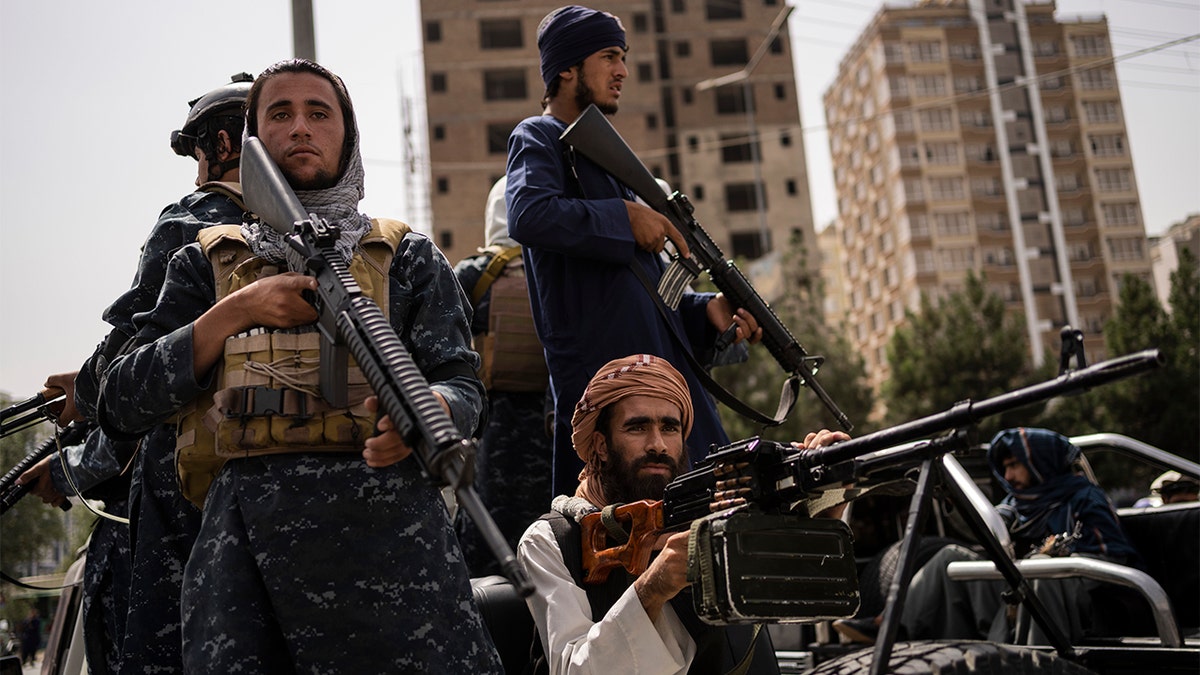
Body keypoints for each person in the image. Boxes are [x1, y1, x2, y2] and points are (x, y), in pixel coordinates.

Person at [99, 59, 501, 672]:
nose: (301, 129)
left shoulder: (409, 257)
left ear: (348, 134)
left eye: (319, 113)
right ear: (255, 141)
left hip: (395, 551)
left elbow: (463, 382)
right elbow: (121, 399)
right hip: (243, 559)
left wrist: (435, 409)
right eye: (279, 115)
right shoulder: (202, 265)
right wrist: (235, 311)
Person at [17, 74, 256, 674]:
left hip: (181, 499)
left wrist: (75, 466)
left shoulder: (191, 221)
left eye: (197, 155)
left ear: (221, 145)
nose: (196, 172)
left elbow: (138, 378)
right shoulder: (318, 232)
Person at [505, 5, 762, 497]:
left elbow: (649, 297)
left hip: (669, 410)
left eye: (623, 57)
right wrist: (624, 218)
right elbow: (530, 214)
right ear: (567, 67)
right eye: (609, 56)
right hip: (613, 415)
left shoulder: (610, 162)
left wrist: (706, 312)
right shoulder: (539, 137)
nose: (622, 71)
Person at [518, 354, 848, 674]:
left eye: (670, 428)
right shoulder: (552, 540)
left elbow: (796, 600)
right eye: (637, 427)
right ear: (602, 446)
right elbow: (572, 669)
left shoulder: (716, 513)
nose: (658, 444)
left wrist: (823, 513)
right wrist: (653, 588)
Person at [835, 427, 1139, 646]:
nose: (1007, 477)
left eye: (1015, 464)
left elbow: (1110, 561)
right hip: (1022, 589)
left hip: (1086, 603)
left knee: (1042, 576)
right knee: (948, 561)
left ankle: (1015, 661)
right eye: (1004, 467)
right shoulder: (1015, 506)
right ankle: (894, 627)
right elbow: (984, 532)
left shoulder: (1084, 498)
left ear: (1041, 461)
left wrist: (1049, 561)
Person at [453, 175, 554, 576]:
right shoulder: (557, 271)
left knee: (487, 552)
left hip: (492, 437)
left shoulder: (475, 274)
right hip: (556, 434)